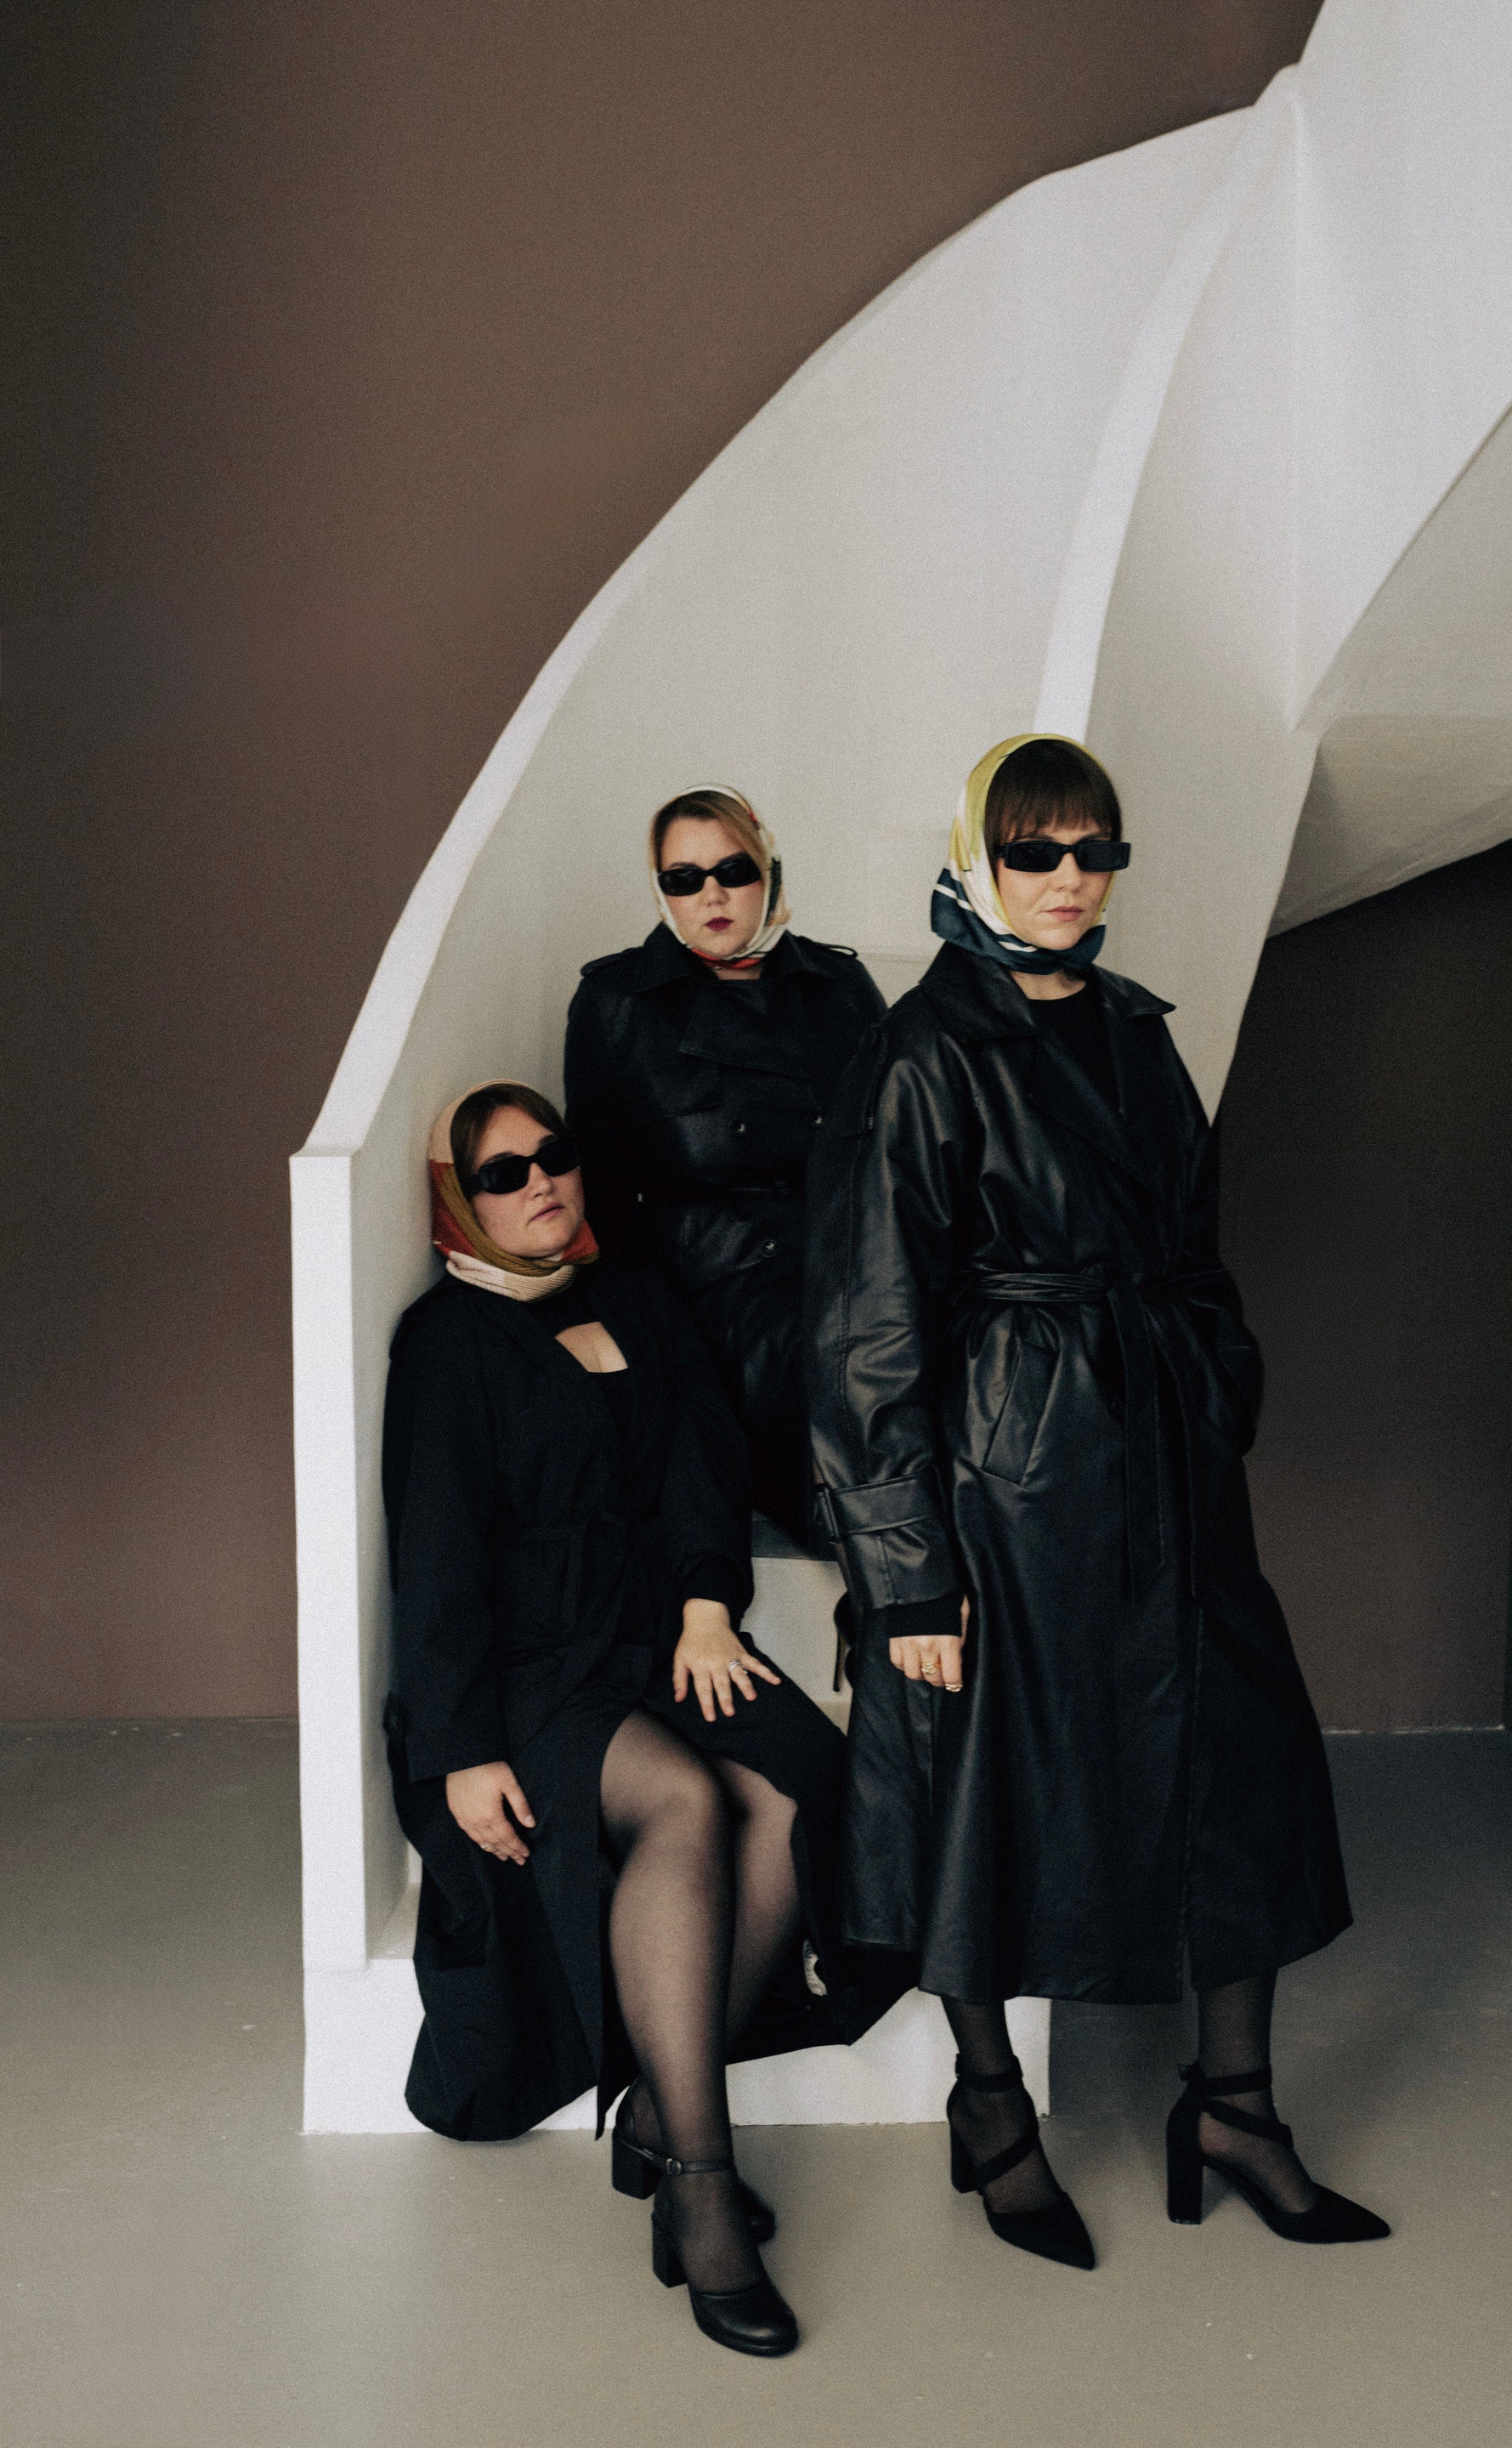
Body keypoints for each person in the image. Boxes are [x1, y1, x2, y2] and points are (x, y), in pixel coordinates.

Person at [806, 734, 1389, 2270]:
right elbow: (866, 1330)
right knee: (987, 1796)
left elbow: (1194, 1249)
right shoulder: (922, 1052)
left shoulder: (1138, 1030)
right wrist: (906, 1575)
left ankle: (1237, 2109)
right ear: (978, 858)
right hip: (1009, 1485)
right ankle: (993, 2109)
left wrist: (1216, 1383)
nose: (1068, 878)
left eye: (1093, 850)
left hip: (1168, 1469)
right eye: (1035, 850)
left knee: (1239, 1770)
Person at [382, 1080, 903, 2357]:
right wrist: (462, 1751)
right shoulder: (446, 1342)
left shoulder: (639, 1298)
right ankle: (701, 2186)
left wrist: (708, 1609)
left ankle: (661, 2119)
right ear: (459, 1200)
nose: (541, 1184)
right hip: (524, 1674)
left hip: (657, 1639)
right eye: (503, 1173)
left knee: (800, 1782)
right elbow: (437, 1560)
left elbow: (701, 1466)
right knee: (688, 1802)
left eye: (553, 1157)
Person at [563, 788, 885, 1548]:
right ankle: (868, 1546)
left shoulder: (840, 989)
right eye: (683, 878)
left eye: (733, 870)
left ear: (770, 870)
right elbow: (600, 1190)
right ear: (661, 890)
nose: (711, 894)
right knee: (805, 1365)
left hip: (836, 1264)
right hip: (706, 1283)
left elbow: (889, 1158)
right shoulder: (616, 1002)